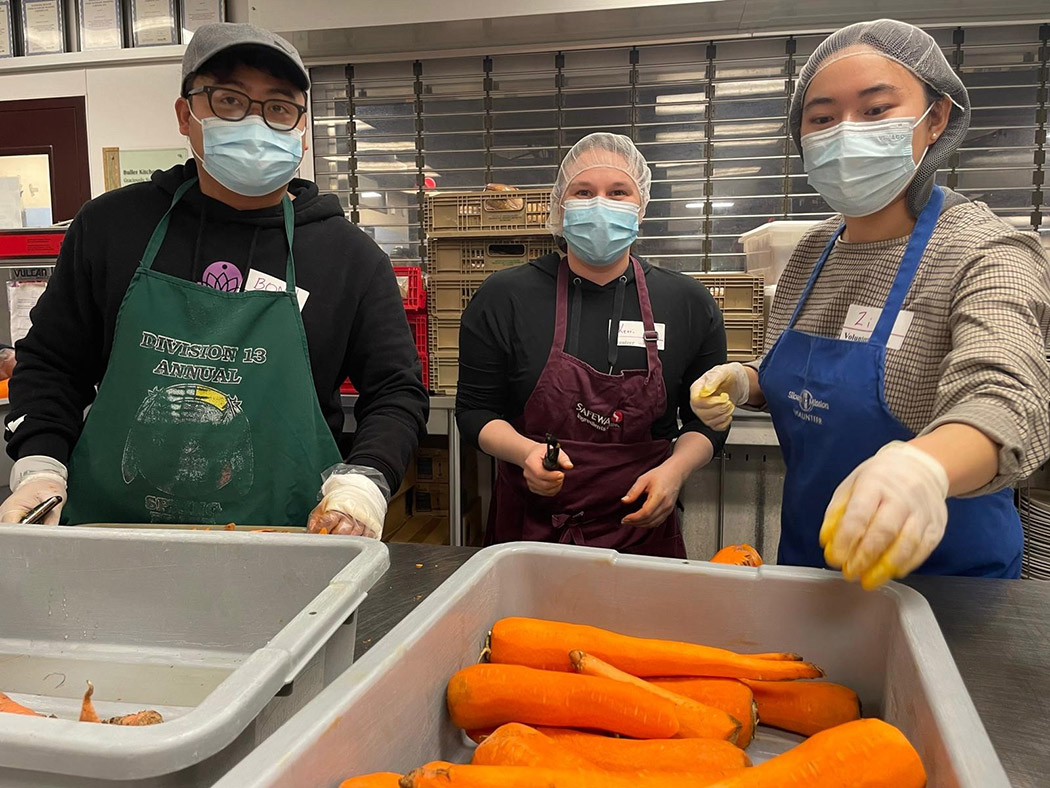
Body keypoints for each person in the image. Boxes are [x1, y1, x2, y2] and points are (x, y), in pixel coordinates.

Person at [0, 23, 428, 534]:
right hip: (113, 534)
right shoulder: (111, 227)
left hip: (289, 538)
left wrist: (362, 485)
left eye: (278, 107)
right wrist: (40, 465)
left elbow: (397, 393)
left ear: (301, 128)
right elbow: (52, 363)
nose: (256, 121)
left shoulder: (347, 255)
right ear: (186, 114)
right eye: (229, 101)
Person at [691, 19, 1050, 587]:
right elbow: (795, 374)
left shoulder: (986, 249)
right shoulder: (812, 251)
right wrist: (746, 383)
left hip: (946, 590)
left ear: (936, 119)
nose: (846, 132)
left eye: (876, 109)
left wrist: (924, 468)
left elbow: (1008, 395)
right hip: (813, 569)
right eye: (823, 117)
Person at [456, 133, 728, 557]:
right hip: (530, 533)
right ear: (560, 207)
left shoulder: (689, 303)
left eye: (618, 192)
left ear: (641, 207)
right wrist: (526, 453)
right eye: (584, 192)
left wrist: (675, 471)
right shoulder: (505, 297)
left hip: (642, 531)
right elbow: (475, 411)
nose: (601, 204)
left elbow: (706, 420)